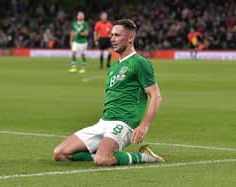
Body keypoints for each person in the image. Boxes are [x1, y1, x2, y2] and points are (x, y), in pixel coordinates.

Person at [53, 19, 164, 166]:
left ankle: (144, 156)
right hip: (103, 122)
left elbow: (156, 96)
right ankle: (105, 153)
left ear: (130, 38)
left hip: (123, 123)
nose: (112, 39)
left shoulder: (139, 63)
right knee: (60, 153)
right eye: (111, 35)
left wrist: (144, 125)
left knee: (102, 160)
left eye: (117, 35)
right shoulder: (113, 68)